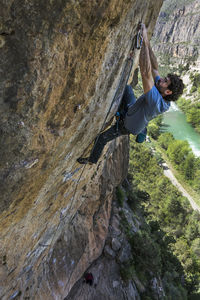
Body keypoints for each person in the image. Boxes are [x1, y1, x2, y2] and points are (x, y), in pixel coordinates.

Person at [77, 24, 184, 165]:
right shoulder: (161, 90)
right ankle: (137, 124)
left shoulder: (156, 103)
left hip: (128, 126)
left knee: (101, 139)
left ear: (168, 91)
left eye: (165, 81)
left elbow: (146, 73)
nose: (161, 79)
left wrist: (144, 41)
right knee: (127, 89)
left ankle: (92, 160)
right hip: (133, 109)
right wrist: (147, 43)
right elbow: (155, 68)